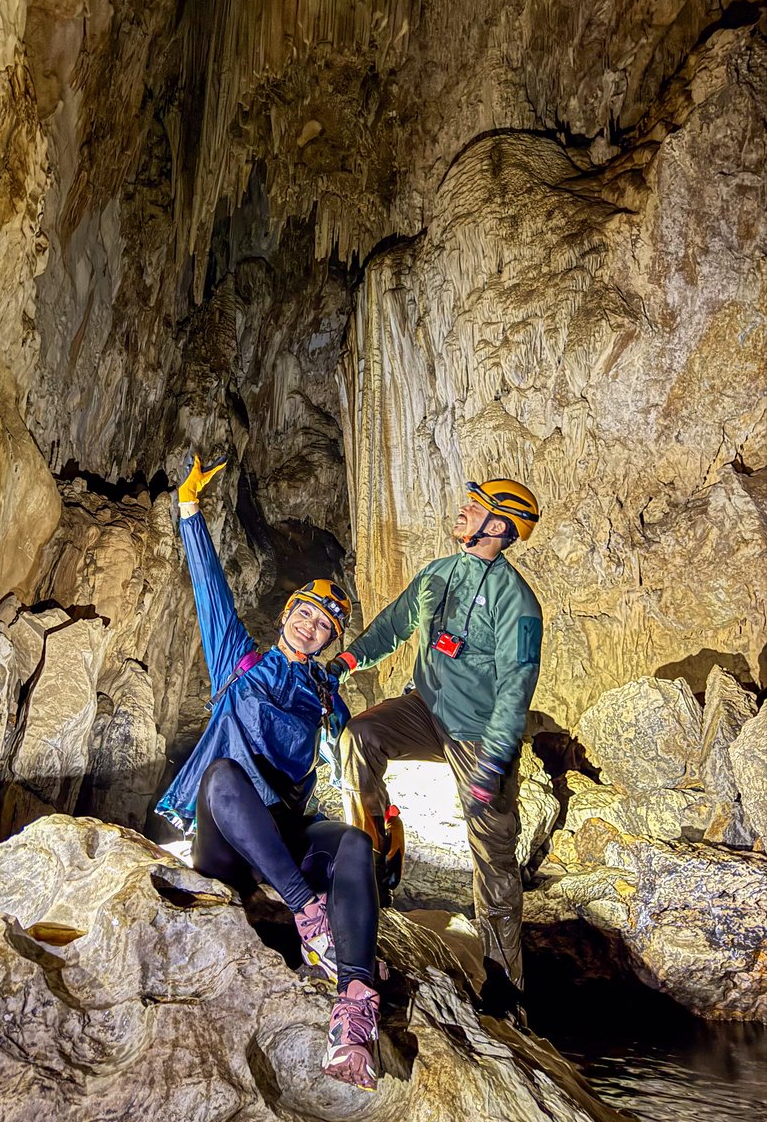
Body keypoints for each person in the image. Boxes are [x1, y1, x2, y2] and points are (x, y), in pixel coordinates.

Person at [155, 455, 382, 1090]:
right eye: (306, 614)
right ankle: (310, 918)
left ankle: (353, 1007)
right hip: (227, 841)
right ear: (287, 615)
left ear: (330, 641)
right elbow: (211, 590)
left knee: (354, 844)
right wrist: (189, 511)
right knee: (224, 775)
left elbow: (359, 753)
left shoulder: (325, 697)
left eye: (326, 626)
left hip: (281, 838)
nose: (312, 626)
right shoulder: (240, 661)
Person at [327, 478, 543, 1021]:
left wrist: (493, 760)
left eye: (477, 508)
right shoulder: (437, 575)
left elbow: (518, 684)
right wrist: (345, 663)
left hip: (479, 732)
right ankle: (376, 853)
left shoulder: (517, 602)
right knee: (360, 737)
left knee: (492, 851)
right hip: (424, 708)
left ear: (498, 527)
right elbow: (393, 627)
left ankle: (504, 979)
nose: (463, 510)